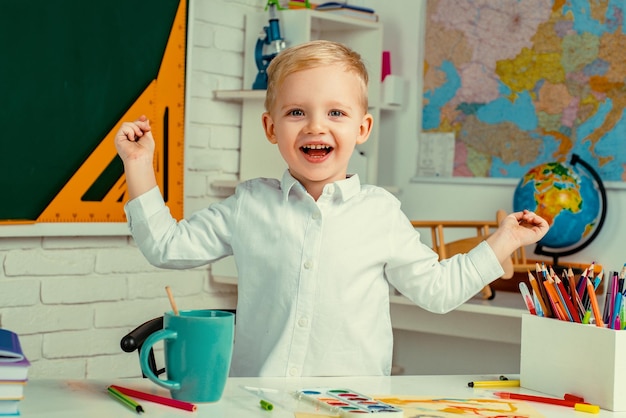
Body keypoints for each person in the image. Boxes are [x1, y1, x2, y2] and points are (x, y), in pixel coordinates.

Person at [114, 40, 549, 377]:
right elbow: (165, 246)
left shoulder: (380, 213)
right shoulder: (249, 204)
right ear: (270, 127)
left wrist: (505, 240)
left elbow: (437, 291)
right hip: (255, 403)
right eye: (297, 111)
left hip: (352, 405)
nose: (315, 126)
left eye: (336, 112)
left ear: (362, 129)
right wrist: (137, 165)